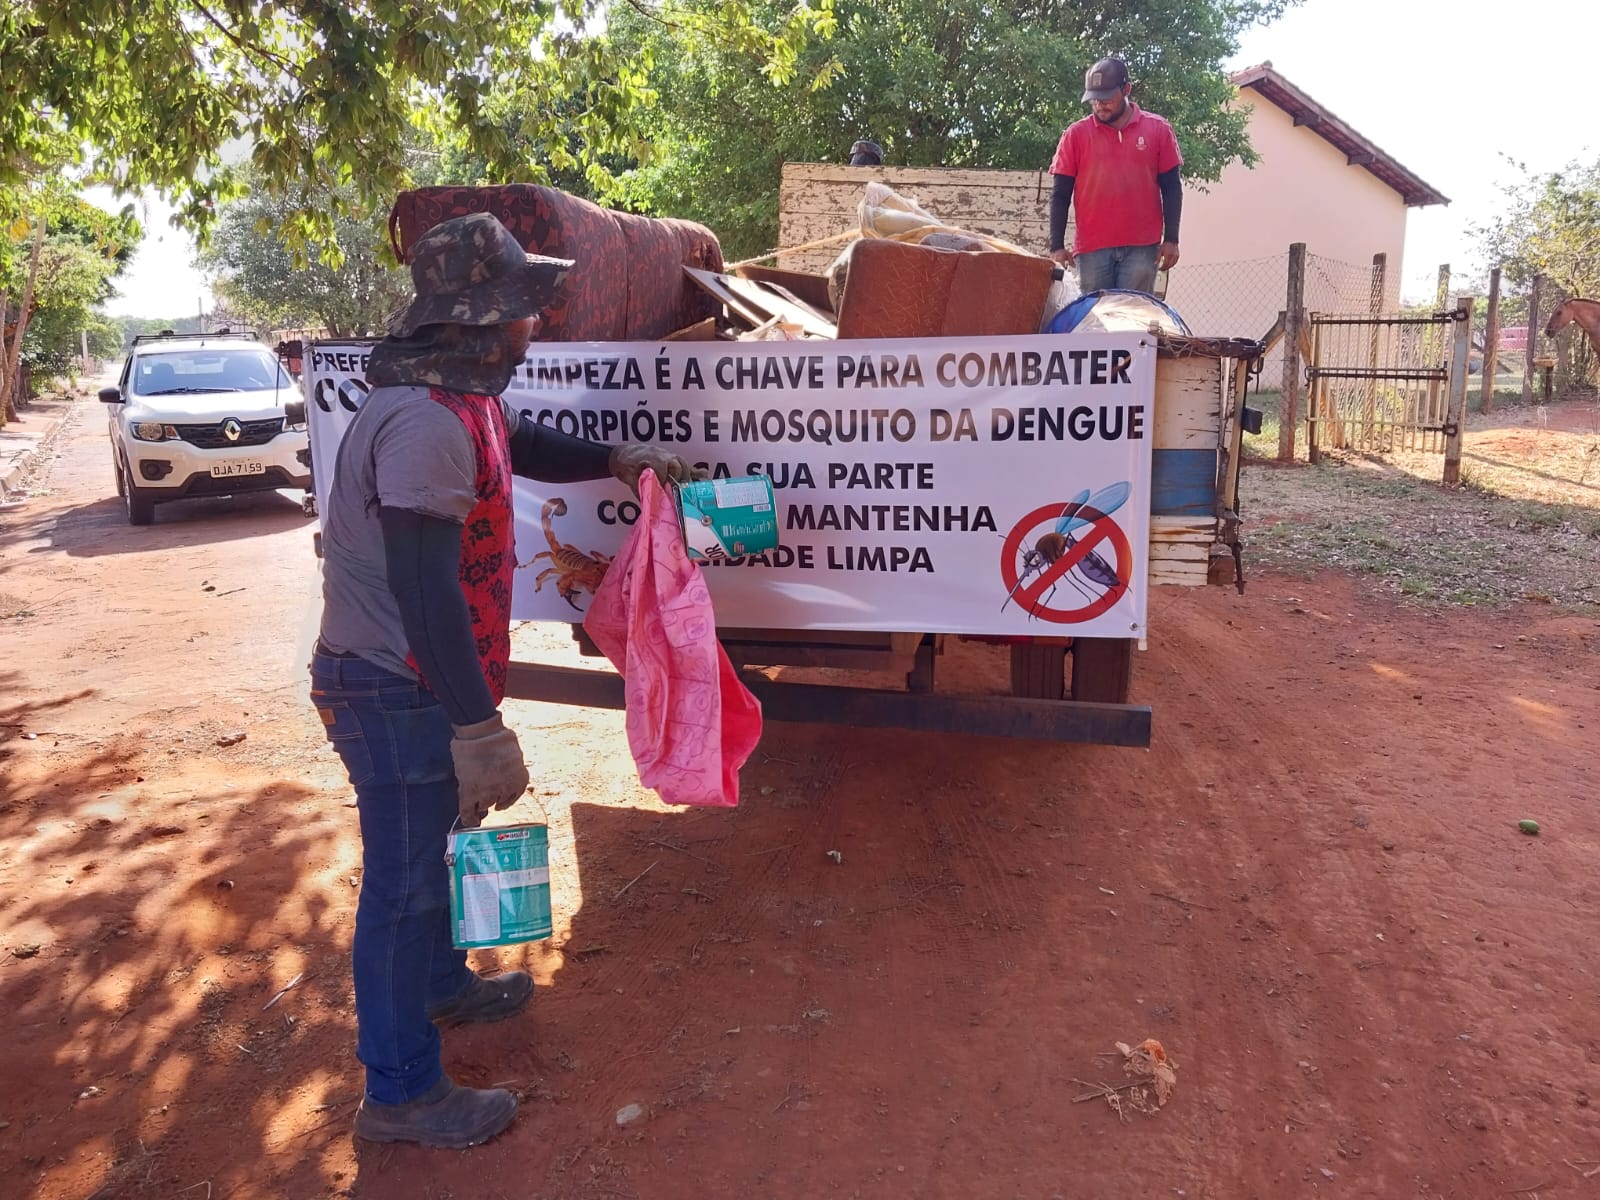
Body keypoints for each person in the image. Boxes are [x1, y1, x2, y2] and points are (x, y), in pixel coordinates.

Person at [309, 212, 697, 1149]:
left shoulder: (465, 397)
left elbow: (518, 439)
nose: (536, 325)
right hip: (393, 681)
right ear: (478, 321)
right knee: (402, 885)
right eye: (523, 310)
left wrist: (614, 460)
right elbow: (421, 586)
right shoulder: (423, 426)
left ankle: (441, 985)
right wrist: (477, 727)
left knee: (435, 843)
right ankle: (398, 1092)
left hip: (422, 677)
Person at [1047, 56, 1183, 295]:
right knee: (1093, 323)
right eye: (1094, 100)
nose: (1100, 105)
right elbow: (1060, 194)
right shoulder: (1075, 135)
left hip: (1142, 249)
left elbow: (1171, 187)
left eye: (1107, 98)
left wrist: (1171, 239)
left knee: (1133, 320)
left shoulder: (1158, 129)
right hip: (1091, 250)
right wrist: (1056, 245)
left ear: (1126, 89)